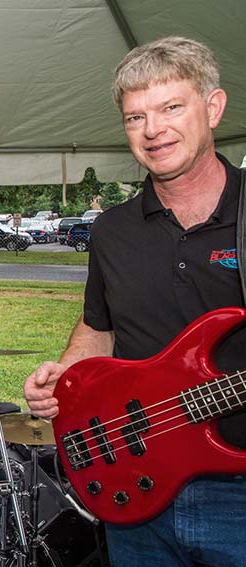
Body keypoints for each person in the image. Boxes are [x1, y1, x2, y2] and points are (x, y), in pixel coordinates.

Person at [25, 37, 246, 567]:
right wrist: (67, 378)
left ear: (213, 108)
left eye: (171, 108)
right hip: (136, 487)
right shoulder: (111, 230)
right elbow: (99, 325)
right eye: (135, 117)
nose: (153, 130)